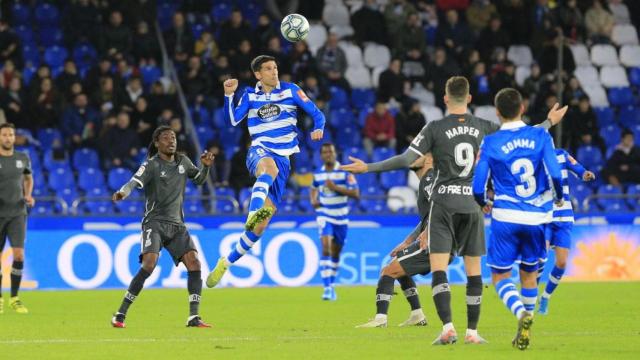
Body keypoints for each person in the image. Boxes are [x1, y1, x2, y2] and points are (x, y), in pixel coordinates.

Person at [341, 76, 565, 345]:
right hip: (472, 205)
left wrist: (368, 167)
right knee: (474, 272)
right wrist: (548, 122)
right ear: (469, 98)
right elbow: (521, 134)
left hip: (443, 205)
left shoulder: (434, 127)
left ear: (445, 99)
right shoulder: (485, 127)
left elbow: (406, 159)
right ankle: (472, 332)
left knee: (439, 270)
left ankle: (447, 327)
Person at [206, 55, 325, 287]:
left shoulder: (291, 90)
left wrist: (318, 128)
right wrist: (229, 95)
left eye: (276, 68)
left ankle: (226, 263)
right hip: (260, 151)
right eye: (268, 69)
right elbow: (232, 120)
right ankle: (252, 212)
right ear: (258, 74)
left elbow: (316, 112)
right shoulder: (250, 95)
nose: (274, 72)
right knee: (266, 169)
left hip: (284, 161)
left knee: (260, 227)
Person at [472, 88, 564, 350]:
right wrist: (557, 197)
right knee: (529, 275)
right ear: (522, 108)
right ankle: (527, 326)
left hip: (506, 216)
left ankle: (520, 314)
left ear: (497, 112)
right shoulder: (540, 135)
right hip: (536, 218)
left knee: (500, 276)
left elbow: (478, 187)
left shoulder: (490, 142)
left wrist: (484, 203)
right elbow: (555, 174)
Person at [110, 126, 214, 328]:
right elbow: (133, 181)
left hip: (177, 225)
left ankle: (194, 317)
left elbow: (199, 180)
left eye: (173, 137)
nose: (171, 141)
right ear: (157, 143)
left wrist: (206, 167)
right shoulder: (151, 165)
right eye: (166, 138)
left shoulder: (183, 161)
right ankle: (120, 313)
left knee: (194, 263)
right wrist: (123, 193)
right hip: (155, 223)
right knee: (149, 264)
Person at [356, 154, 435, 328]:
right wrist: (407, 242)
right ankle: (417, 315)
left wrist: (428, 232)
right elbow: (428, 218)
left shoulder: (430, 179)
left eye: (419, 155)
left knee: (388, 271)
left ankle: (380, 319)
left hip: (436, 239)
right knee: (399, 267)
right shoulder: (427, 181)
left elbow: (441, 208)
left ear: (429, 158)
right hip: (433, 236)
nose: (412, 156)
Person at [538, 149, 595, 315]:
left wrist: (585, 174)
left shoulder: (561, 154)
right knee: (541, 257)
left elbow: (577, 167)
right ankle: (531, 292)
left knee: (562, 262)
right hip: (543, 214)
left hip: (564, 214)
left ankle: (546, 296)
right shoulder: (530, 156)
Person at [310, 143, 359, 301]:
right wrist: (313, 200)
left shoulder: (345, 172)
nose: (328, 155)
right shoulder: (318, 174)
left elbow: (356, 194)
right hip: (324, 214)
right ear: (321, 156)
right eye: (325, 152)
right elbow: (313, 187)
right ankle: (327, 288)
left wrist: (335, 187)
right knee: (326, 247)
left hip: (342, 218)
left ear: (335, 153)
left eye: (330, 151)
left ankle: (332, 283)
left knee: (336, 252)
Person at [0, 123, 34, 314]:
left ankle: (14, 297)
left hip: (17, 213)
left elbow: (28, 178)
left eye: (11, 135)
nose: (8, 138)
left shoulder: (22, 158)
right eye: (4, 134)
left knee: (19, 254)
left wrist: (28, 194)